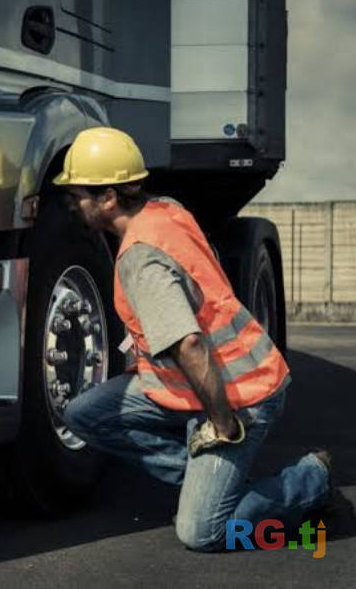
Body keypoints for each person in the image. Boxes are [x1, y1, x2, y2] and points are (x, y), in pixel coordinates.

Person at [54, 127, 332, 551]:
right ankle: (212, 484)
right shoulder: (166, 210)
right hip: (187, 389)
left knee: (203, 533)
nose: (72, 204)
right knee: (83, 413)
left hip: (239, 395)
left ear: (108, 197)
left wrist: (222, 423)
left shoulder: (141, 260)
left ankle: (309, 480)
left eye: (78, 195)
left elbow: (189, 345)